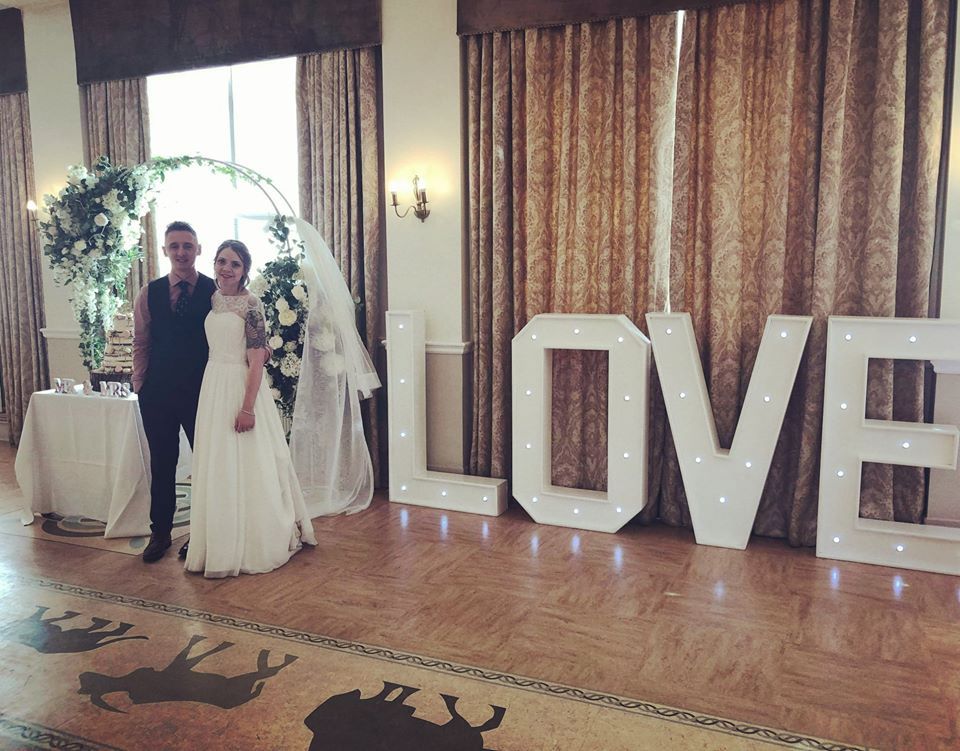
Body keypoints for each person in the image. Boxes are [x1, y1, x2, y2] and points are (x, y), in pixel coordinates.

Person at [184, 239, 316, 578]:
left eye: (235, 264)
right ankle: (218, 536)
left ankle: (254, 538)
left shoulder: (251, 305)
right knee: (218, 461)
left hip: (240, 386)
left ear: (245, 270)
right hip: (213, 384)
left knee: (246, 461)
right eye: (222, 261)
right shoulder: (213, 298)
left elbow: (257, 362)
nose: (226, 268)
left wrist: (247, 408)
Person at [134, 221, 215, 563]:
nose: (181, 252)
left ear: (198, 249)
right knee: (162, 463)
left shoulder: (215, 291)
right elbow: (141, 341)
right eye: (175, 246)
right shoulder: (149, 292)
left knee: (207, 464)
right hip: (158, 392)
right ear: (165, 250)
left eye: (187, 245)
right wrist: (140, 384)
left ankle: (203, 533)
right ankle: (161, 532)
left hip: (202, 393)